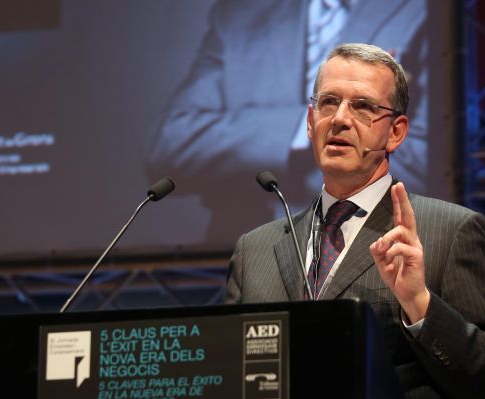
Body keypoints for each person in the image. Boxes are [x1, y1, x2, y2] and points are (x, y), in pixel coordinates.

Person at [224, 44, 485, 399]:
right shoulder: (256, 250)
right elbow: (226, 380)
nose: (340, 119)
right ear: (311, 121)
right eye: (328, 103)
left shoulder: (450, 231)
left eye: (363, 106)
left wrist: (418, 303)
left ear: (396, 132)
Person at [146, 0, 428, 243]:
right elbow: (172, 148)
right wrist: (302, 129)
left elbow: (430, 164)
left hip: (375, 262)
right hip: (247, 266)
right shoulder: (240, 16)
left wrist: (242, 139)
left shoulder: (434, 13)